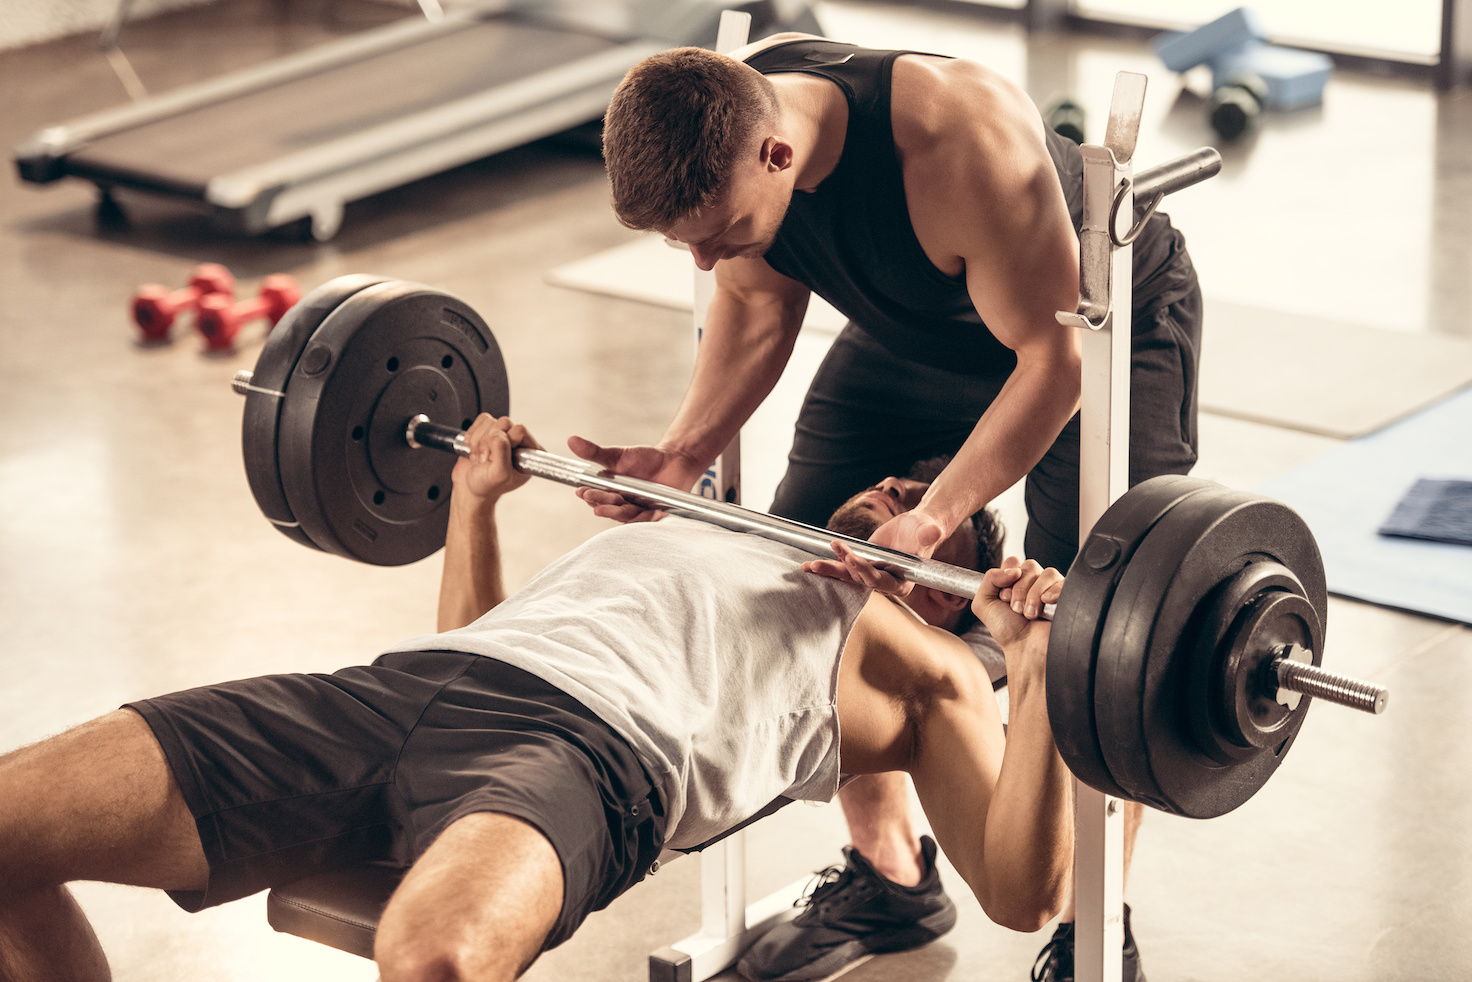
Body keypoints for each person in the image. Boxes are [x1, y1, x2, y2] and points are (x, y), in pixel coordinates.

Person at [0, 415, 1074, 982]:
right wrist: (475, 503)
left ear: (951, 596)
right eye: (892, 486)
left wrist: (1036, 670)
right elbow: (475, 636)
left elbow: (1022, 895)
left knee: (432, 962)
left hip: (594, 754)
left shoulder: (921, 666)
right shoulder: (706, 526)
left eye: (935, 519)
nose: (894, 502)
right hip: (399, 690)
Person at [573, 33, 1196, 982]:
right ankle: (890, 876)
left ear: (777, 157)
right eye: (679, 243)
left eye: (712, 231)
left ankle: (1091, 924)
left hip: (1096, 333)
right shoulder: (747, 119)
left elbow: (1052, 363)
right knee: (800, 574)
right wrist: (684, 452)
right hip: (917, 326)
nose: (699, 261)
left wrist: (934, 517)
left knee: (1097, 624)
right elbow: (753, 308)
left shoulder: (960, 141)